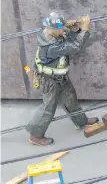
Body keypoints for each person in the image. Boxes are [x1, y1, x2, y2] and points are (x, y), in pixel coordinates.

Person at [26, 11, 99, 146]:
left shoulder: (52, 35)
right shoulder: (50, 46)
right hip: (49, 81)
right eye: (60, 28)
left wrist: (74, 30)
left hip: (60, 78)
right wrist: (84, 30)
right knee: (48, 108)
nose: (62, 30)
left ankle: (81, 121)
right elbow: (74, 47)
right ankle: (35, 136)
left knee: (71, 100)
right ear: (50, 28)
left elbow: (66, 39)